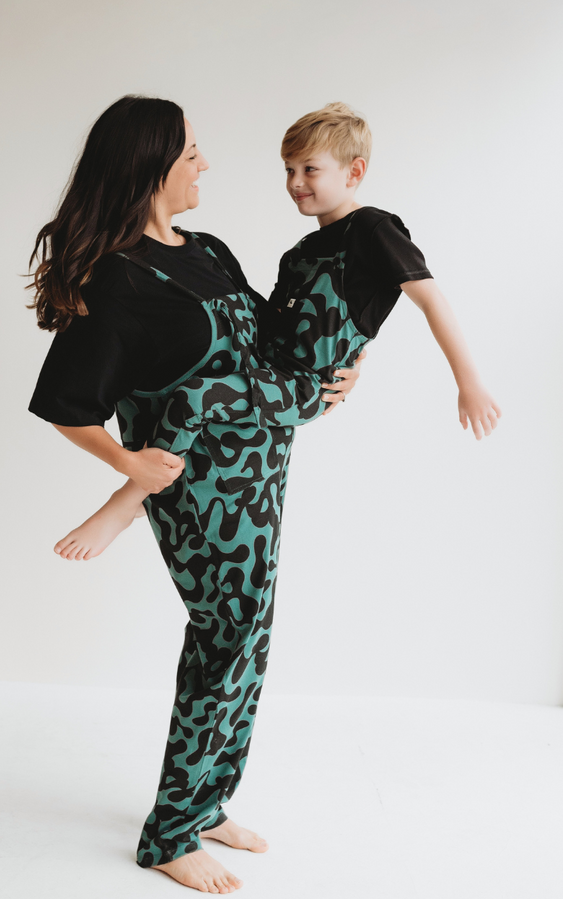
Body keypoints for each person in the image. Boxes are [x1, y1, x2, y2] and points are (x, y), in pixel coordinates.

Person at [27, 95, 364, 894]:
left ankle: (209, 801)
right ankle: (170, 834)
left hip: (263, 469)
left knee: (251, 637)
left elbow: (263, 343)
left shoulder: (205, 248)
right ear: (152, 169)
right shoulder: (117, 280)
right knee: (226, 634)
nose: (204, 164)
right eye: (191, 154)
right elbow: (65, 402)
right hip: (200, 487)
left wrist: (326, 376)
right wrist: (130, 468)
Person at [53, 102, 501, 565]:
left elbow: (428, 300)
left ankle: (126, 504)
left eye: (310, 169)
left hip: (296, 392)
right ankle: (133, 498)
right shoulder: (300, 252)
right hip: (256, 401)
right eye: (289, 169)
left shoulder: (372, 230)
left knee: (197, 396)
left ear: (354, 172)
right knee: (196, 397)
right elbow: (269, 325)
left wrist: (464, 381)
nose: (295, 183)